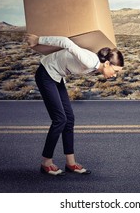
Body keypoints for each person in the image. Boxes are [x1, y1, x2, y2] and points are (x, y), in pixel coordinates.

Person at [26, 34, 124, 176]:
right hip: (46, 74)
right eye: (115, 72)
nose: (114, 76)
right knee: (60, 120)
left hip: (57, 76)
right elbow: (66, 41)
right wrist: (37, 40)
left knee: (69, 119)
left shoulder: (95, 65)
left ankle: (70, 163)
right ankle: (46, 163)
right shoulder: (90, 61)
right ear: (107, 64)